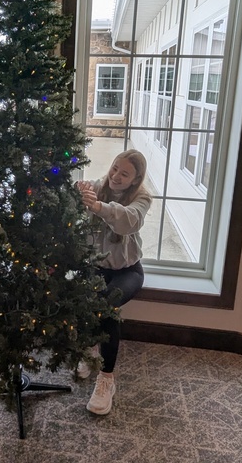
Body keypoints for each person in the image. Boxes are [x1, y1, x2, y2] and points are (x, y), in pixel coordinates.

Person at [74, 149, 151, 416]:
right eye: (115, 168)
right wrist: (79, 191)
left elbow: (128, 221)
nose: (116, 176)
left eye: (124, 174)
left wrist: (97, 207)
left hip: (128, 271)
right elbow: (77, 193)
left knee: (107, 307)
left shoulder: (142, 198)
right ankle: (89, 351)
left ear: (135, 179)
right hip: (95, 267)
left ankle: (106, 379)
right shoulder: (99, 187)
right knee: (86, 300)